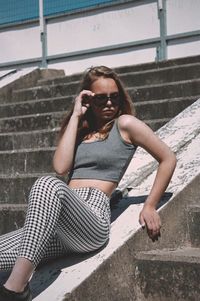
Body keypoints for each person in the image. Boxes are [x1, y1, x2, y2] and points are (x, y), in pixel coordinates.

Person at [0, 66, 176, 301]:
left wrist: (150, 205)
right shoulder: (81, 130)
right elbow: (61, 168)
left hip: (90, 219)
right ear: (88, 99)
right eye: (101, 98)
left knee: (47, 184)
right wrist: (75, 115)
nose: (109, 103)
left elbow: (168, 158)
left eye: (114, 97)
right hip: (58, 223)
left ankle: (16, 290)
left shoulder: (125, 124)